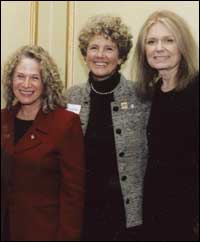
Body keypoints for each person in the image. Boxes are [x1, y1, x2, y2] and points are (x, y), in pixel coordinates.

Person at [66, 15, 150, 241]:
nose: (100, 55)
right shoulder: (69, 97)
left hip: (126, 213)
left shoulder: (142, 96)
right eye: (93, 47)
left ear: (121, 56)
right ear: (85, 55)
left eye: (109, 48)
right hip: (83, 212)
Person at [1, 45, 85, 241]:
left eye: (35, 78)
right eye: (20, 76)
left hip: (41, 233)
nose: (26, 84)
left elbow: (73, 195)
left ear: (46, 83)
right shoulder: (3, 119)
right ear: (11, 80)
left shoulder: (65, 123)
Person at [133, 10, 199, 241]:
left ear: (183, 46)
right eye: (151, 41)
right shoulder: (150, 94)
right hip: (154, 210)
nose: (159, 48)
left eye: (168, 40)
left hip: (189, 216)